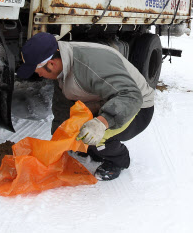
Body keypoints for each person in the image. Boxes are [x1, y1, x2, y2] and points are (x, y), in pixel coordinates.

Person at [16, 32, 155, 181]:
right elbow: (62, 103)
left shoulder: (90, 64)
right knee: (79, 132)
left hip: (137, 107)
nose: (39, 75)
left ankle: (118, 160)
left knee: (94, 136)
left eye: (38, 72)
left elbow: (131, 96)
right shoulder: (62, 63)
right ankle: (93, 146)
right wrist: (59, 138)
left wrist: (101, 122)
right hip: (108, 99)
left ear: (51, 64)